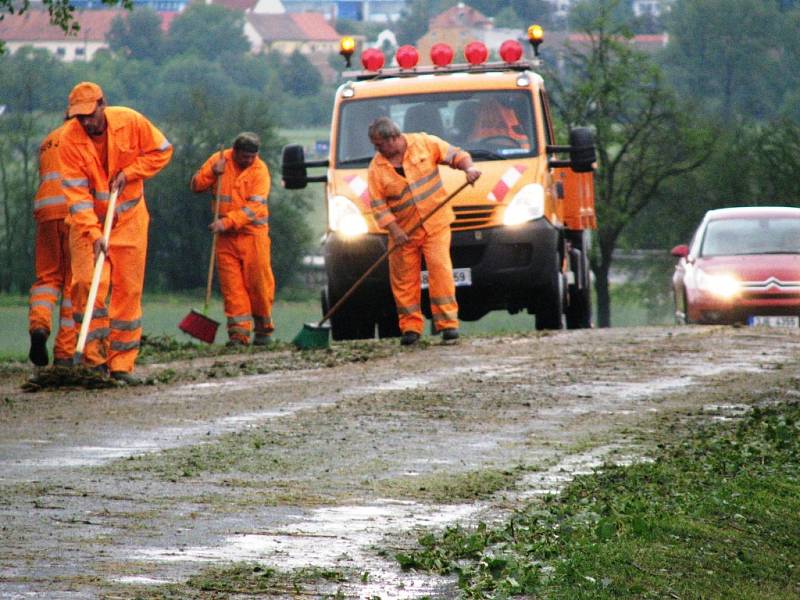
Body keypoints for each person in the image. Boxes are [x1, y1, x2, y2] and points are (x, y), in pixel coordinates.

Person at [59, 82, 173, 384]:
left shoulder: (130, 121)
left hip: (130, 220)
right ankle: (93, 361)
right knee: (86, 283)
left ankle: (121, 365)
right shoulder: (68, 142)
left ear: (101, 105)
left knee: (128, 290)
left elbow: (162, 151)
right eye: (78, 116)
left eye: (88, 114)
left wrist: (131, 173)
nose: (85, 121)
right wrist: (95, 235)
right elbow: (76, 194)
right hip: (87, 226)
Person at [367, 117, 481, 346]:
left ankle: (448, 325)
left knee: (440, 271)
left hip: (435, 225)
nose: (377, 150)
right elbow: (378, 206)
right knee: (404, 281)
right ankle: (410, 329)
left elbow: (456, 155)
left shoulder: (424, 143)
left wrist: (470, 169)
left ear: (393, 138)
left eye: (380, 145)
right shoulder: (376, 169)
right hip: (403, 234)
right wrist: (395, 230)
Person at [190, 133, 275, 346]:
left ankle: (263, 330)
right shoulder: (218, 160)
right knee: (232, 288)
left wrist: (226, 222)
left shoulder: (260, 171)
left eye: (252, 157)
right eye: (245, 156)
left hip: (253, 236)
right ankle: (238, 336)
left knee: (259, 285)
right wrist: (212, 172)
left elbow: (255, 208)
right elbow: (196, 185)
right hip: (225, 239)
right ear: (234, 151)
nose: (249, 161)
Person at [28, 120, 76, 367]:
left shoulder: (48, 139)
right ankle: (65, 354)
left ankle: (39, 326)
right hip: (72, 212)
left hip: (46, 213)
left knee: (47, 279)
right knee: (72, 282)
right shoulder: (82, 138)